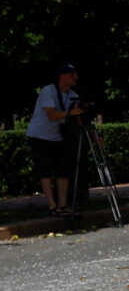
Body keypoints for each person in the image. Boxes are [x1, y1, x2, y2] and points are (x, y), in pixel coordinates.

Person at [25, 62, 84, 219]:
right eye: (72, 75)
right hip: (40, 136)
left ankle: (62, 205)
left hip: (58, 136)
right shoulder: (48, 91)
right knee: (45, 171)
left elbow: (77, 117)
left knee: (63, 170)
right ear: (62, 76)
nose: (75, 78)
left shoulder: (72, 95)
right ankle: (52, 206)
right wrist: (71, 113)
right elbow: (51, 115)